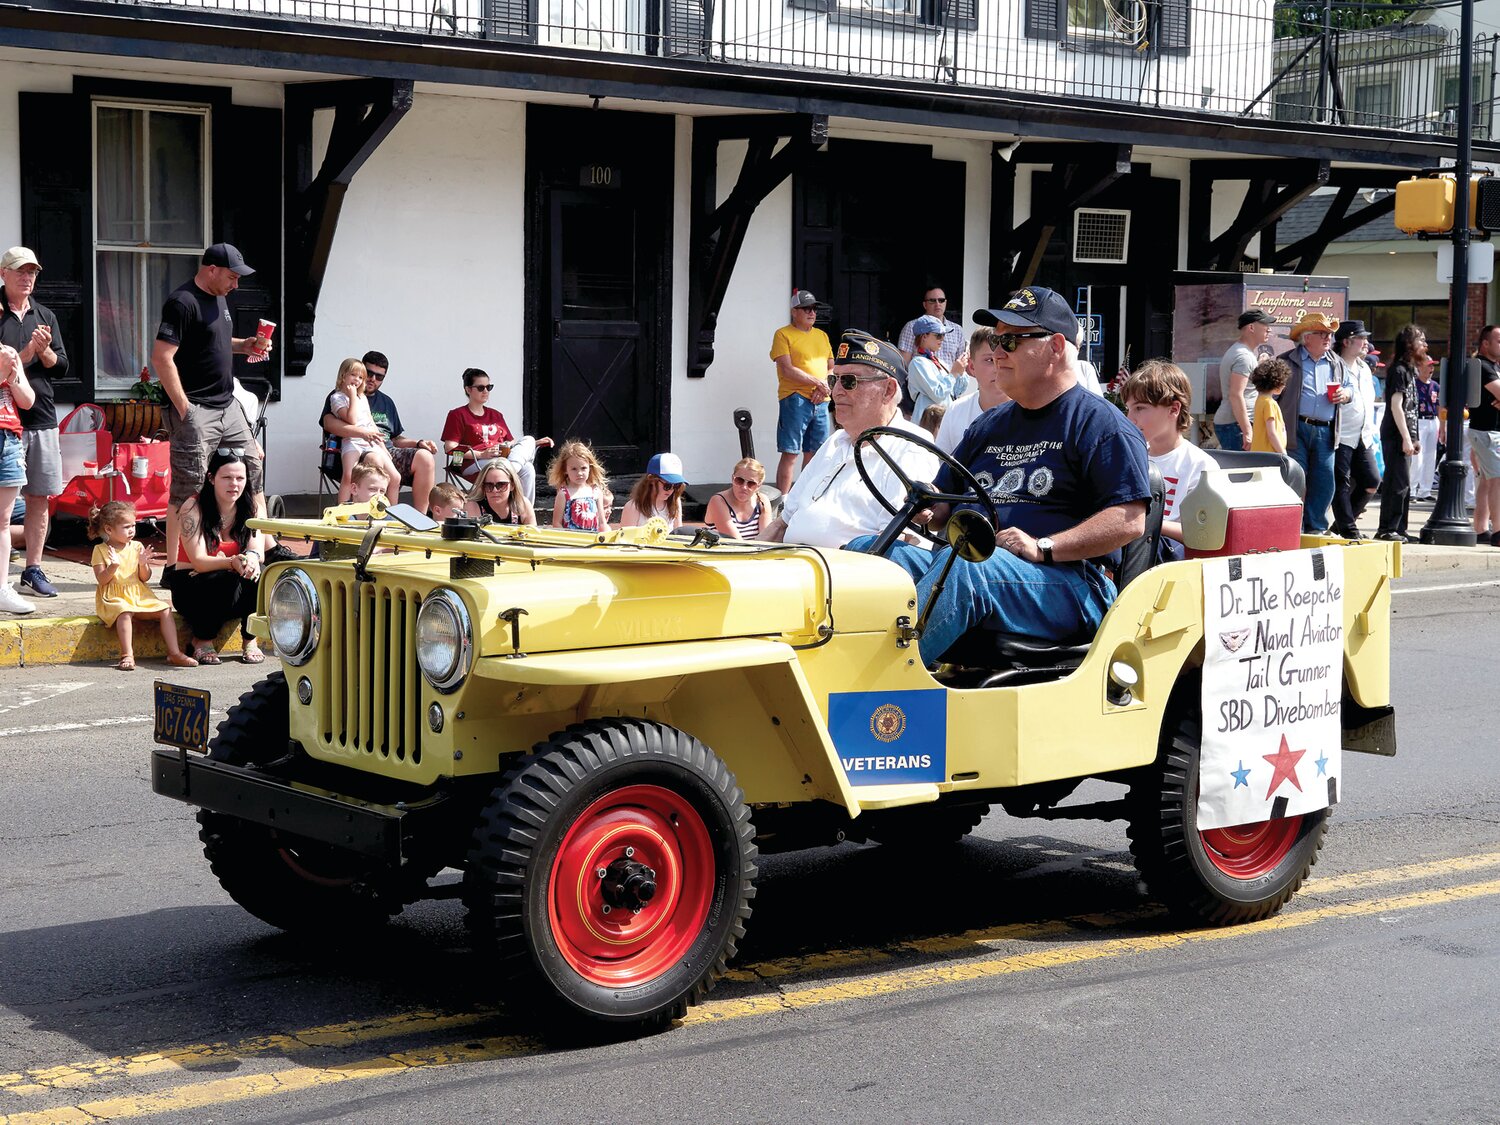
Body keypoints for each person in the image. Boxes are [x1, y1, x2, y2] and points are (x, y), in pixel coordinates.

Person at [853, 286, 1150, 667]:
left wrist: (1043, 546)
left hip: (1069, 581)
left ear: (1056, 346)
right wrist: (929, 505)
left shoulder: (1100, 424)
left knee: (968, 567)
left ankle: (872, 687)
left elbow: (1129, 520)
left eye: (1010, 340)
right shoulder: (988, 426)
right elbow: (944, 499)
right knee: (869, 552)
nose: (996, 351)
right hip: (982, 566)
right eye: (995, 339)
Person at [152, 243, 270, 584]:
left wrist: (243, 345)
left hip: (227, 403)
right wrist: (184, 409)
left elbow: (210, 340)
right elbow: (162, 357)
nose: (236, 285)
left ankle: (262, 549)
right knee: (187, 488)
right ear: (212, 269)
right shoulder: (182, 301)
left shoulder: (219, 296)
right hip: (195, 408)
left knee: (253, 468)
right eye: (232, 277)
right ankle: (173, 568)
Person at [759, 330, 940, 549]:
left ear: (888, 390)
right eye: (834, 379)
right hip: (791, 565)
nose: (835, 391)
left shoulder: (910, 447)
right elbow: (782, 524)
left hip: (842, 576)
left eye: (849, 381)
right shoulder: (836, 441)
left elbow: (894, 543)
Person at [0, 247, 67, 599]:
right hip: (4, 421)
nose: (27, 278)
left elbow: (62, 366)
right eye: (20, 271)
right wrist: (27, 353)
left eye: (33, 272)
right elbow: (2, 371)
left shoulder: (46, 315)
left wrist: (44, 351)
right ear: (3, 274)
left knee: (39, 497)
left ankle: (33, 570)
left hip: (41, 417)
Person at [171, 448, 270, 665]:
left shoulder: (252, 508)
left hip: (230, 580)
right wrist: (230, 562)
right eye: (226, 477)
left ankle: (249, 639)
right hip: (191, 585)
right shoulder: (193, 507)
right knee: (225, 580)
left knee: (261, 575)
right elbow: (198, 560)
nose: (234, 484)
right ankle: (201, 639)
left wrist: (250, 560)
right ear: (211, 478)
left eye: (239, 478)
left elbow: (257, 551)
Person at [320, 350, 438, 513]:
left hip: (383, 448)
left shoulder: (386, 402)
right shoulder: (339, 396)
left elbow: (395, 438)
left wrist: (418, 443)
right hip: (358, 451)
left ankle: (419, 519)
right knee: (375, 460)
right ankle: (371, 517)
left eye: (379, 376)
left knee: (425, 457)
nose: (373, 379)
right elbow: (330, 424)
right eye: (369, 373)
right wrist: (365, 434)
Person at [1120, 360, 1216, 558]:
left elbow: (1203, 533)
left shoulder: (1199, 465)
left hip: (1167, 559)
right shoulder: (1129, 455)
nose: (1130, 418)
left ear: (1174, 409)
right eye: (1128, 408)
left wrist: (1142, 523)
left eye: (1140, 408)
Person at [88, 501, 196, 672]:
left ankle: (174, 653)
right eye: (126, 527)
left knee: (164, 609)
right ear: (109, 529)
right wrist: (112, 567)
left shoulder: (137, 547)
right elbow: (102, 580)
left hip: (138, 594)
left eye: (133, 525)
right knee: (124, 611)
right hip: (114, 596)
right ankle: (127, 655)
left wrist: (143, 564)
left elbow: (144, 578)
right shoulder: (100, 550)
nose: (132, 530)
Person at [1276, 311, 1351, 534]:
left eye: (1329, 333)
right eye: (1322, 333)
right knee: (1295, 478)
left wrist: (1345, 394)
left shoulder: (1337, 363)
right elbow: (1271, 393)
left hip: (1325, 430)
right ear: (1307, 337)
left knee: (1324, 480)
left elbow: (1350, 388)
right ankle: (1292, 526)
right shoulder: (1287, 361)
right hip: (1295, 428)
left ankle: (1316, 527)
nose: (1328, 337)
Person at [440, 368, 551, 503]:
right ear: (468, 389)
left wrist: (534, 443)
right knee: (515, 464)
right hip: (473, 463)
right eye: (481, 388)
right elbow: (449, 448)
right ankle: (509, 469)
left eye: (489, 387)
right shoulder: (457, 415)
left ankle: (523, 511)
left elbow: (510, 443)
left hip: (502, 459)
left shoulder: (496, 415)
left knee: (528, 450)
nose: (486, 391)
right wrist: (481, 454)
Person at [770, 290, 833, 495]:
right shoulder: (783, 334)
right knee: (791, 452)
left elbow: (832, 367)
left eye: (814, 308)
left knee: (815, 453)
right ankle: (783, 501)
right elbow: (787, 368)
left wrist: (823, 385)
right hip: (795, 398)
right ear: (794, 312)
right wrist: (818, 383)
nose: (811, 312)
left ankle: (804, 497)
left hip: (821, 399)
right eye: (806, 308)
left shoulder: (822, 335)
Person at [1375, 324, 1424, 543]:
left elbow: (1412, 408)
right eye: (1420, 340)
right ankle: (1387, 528)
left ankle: (1400, 528)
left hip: (1406, 435)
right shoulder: (1398, 370)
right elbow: (1396, 406)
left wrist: (1415, 437)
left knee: (1405, 484)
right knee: (1397, 483)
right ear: (1409, 344)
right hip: (1395, 435)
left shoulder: (1410, 370)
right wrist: (1405, 437)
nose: (1424, 344)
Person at [1332, 321, 1380, 540]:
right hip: (1340, 433)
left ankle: (1339, 526)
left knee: (1371, 481)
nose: (1366, 343)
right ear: (1346, 341)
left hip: (1363, 435)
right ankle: (1348, 529)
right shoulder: (1334, 365)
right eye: (1361, 338)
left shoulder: (1364, 368)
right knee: (1341, 482)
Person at [328, 357, 400, 503]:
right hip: (352, 441)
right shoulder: (337, 397)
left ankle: (391, 515)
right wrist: (352, 397)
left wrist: (382, 446)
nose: (357, 380)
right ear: (343, 376)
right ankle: (341, 512)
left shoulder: (362, 397)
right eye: (353, 375)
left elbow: (370, 421)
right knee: (349, 475)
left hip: (371, 442)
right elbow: (352, 420)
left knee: (395, 477)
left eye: (361, 377)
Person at [0, 343, 36, 615]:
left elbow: (27, 401)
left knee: (3, 520)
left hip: (9, 440)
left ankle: (1, 589)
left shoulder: (8, 352)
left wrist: (12, 377)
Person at [936, 327, 1010, 456]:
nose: (998, 367)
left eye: (1004, 358)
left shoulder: (1032, 410)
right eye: (990, 360)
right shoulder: (955, 411)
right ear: (971, 367)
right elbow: (941, 463)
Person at [1214, 309, 1277, 452]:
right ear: (1251, 327)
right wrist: (1247, 431)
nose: (1269, 329)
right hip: (1236, 426)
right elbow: (1236, 394)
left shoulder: (1243, 353)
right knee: (1241, 472)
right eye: (1265, 325)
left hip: (1235, 424)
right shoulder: (1244, 357)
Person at [1469, 324, 1500, 546]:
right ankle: (1498, 532)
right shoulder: (1483, 366)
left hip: (1487, 432)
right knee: (1497, 481)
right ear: (1485, 343)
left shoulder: (1492, 367)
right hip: (1487, 432)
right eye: (1499, 341)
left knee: (1487, 482)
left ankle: (1481, 530)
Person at [906, 314, 968, 423]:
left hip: (943, 421)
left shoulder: (939, 362)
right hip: (927, 423)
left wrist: (961, 372)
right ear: (924, 336)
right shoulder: (917, 363)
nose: (942, 339)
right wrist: (953, 373)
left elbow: (956, 392)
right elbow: (938, 394)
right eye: (938, 335)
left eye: (943, 335)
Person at [549, 440, 611, 531]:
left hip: (592, 542)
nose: (579, 473)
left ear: (590, 467)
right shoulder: (563, 494)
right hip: (572, 541)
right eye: (574, 469)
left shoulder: (596, 492)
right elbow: (556, 523)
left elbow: (602, 522)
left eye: (583, 468)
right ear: (565, 470)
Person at [897, 285, 966, 368]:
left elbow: (961, 365)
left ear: (946, 303)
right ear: (925, 305)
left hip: (950, 379)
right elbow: (903, 365)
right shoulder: (911, 327)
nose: (937, 304)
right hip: (921, 378)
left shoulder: (957, 330)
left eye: (941, 300)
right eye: (932, 301)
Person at [705, 458, 773, 540]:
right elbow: (735, 542)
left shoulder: (762, 501)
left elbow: (765, 540)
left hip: (754, 551)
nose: (744, 487)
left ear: (758, 486)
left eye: (751, 483)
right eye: (739, 480)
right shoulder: (718, 501)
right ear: (732, 479)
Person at [620, 453, 687, 530]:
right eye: (667, 486)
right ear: (651, 479)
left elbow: (678, 531)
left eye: (676, 486)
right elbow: (625, 539)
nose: (671, 490)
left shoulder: (675, 501)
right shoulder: (633, 507)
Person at [465, 461, 537, 526]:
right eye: (489, 485)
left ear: (512, 485)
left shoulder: (523, 504)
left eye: (501, 485)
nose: (495, 490)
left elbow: (533, 536)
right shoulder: (473, 506)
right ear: (482, 487)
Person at [1412, 347, 1442, 501]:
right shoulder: (1415, 384)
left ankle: (1425, 490)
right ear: (1419, 366)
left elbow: (1439, 406)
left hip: (1432, 420)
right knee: (1418, 456)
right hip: (1419, 420)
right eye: (1428, 365)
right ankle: (1412, 489)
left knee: (1431, 455)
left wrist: (1442, 425)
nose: (1431, 368)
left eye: (1432, 365)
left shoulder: (1435, 386)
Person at [1250, 359, 1289, 454]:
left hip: (1260, 454)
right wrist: (1283, 453)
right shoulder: (1270, 404)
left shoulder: (1260, 400)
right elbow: (1271, 433)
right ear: (1277, 384)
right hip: (1270, 455)